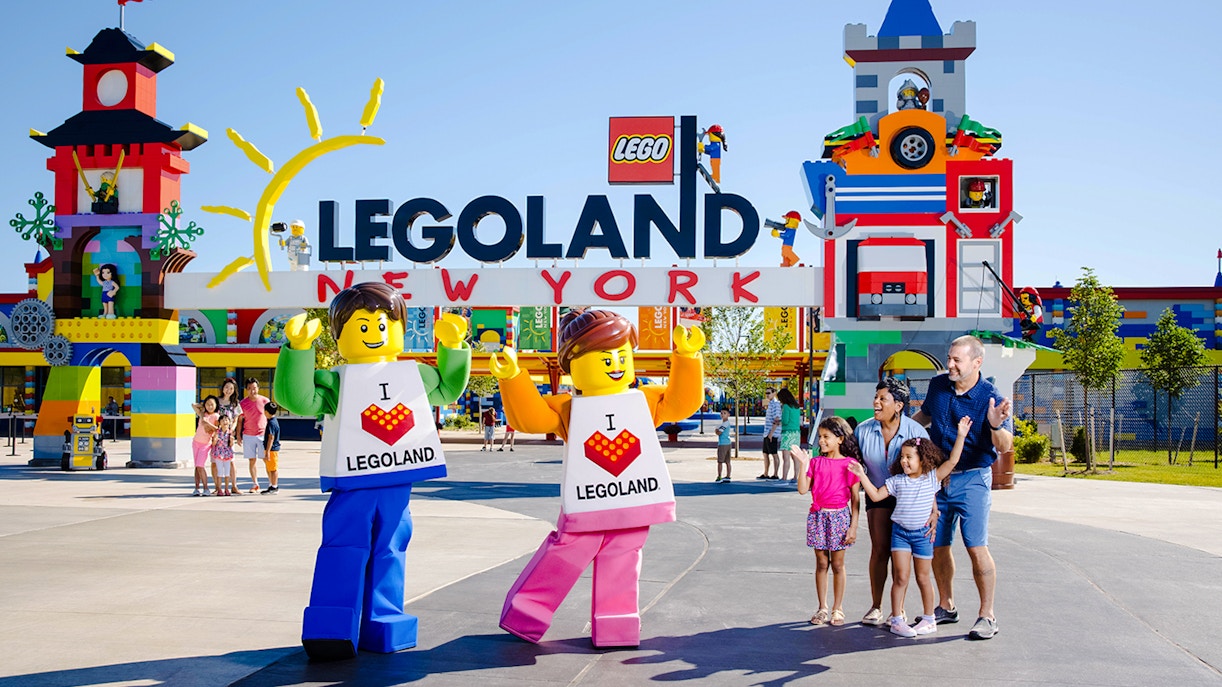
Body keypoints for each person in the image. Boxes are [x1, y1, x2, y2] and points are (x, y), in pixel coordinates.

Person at [274, 281, 471, 660]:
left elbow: (447, 389)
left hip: (396, 481)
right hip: (353, 482)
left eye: (383, 325)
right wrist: (298, 351)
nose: (375, 334)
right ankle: (331, 625)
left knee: (391, 547)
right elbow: (296, 398)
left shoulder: (414, 376)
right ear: (339, 336)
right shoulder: (335, 380)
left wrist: (453, 347)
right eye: (362, 327)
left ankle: (385, 619)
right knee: (344, 546)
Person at [490, 308, 704, 647]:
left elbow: (682, 403)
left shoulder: (643, 400)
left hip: (633, 499)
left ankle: (616, 624)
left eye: (622, 354)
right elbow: (531, 418)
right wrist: (513, 377)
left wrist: (687, 356)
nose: (617, 364)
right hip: (589, 500)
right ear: (572, 365)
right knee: (568, 550)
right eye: (605, 357)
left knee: (623, 556)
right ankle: (526, 612)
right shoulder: (569, 407)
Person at [912, 334, 1013, 641]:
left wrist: (995, 425)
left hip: (972, 479)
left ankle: (987, 615)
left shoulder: (990, 396)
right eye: (950, 357)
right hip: (938, 477)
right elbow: (924, 416)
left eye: (957, 359)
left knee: (975, 546)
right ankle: (946, 606)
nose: (950, 364)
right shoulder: (938, 386)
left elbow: (1006, 445)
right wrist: (899, 432)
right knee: (938, 545)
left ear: (976, 362)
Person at [851, 418, 971, 638]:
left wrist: (961, 435)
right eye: (902, 457)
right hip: (901, 535)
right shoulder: (897, 481)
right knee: (901, 578)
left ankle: (928, 619)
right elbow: (876, 495)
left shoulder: (932, 479)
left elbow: (953, 460)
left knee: (923, 577)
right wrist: (861, 475)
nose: (904, 461)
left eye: (909, 457)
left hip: (922, 536)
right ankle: (897, 619)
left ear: (922, 459)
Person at [854, 378, 931, 626]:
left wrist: (934, 510)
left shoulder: (917, 432)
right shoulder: (863, 430)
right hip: (878, 495)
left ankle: (898, 611)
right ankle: (876, 606)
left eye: (882, 399)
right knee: (879, 549)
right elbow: (856, 469)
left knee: (904, 557)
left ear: (898, 405)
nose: (876, 402)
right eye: (875, 397)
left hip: (910, 499)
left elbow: (929, 474)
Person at [797, 416, 862, 627]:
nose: (821, 441)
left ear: (840, 439)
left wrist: (853, 526)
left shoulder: (850, 465)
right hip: (818, 516)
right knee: (822, 563)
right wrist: (803, 464)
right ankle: (822, 607)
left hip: (840, 517)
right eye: (820, 437)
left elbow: (855, 498)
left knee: (838, 563)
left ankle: (838, 607)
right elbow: (802, 489)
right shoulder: (815, 463)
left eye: (827, 437)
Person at [237, 378, 270, 493]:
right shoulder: (242, 403)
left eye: (254, 388)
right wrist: (238, 435)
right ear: (246, 390)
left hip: (262, 435)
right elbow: (240, 420)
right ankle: (255, 484)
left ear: (258, 388)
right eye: (250, 389)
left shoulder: (265, 401)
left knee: (266, 459)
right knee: (252, 460)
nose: (252, 391)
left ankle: (272, 483)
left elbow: (270, 419)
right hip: (248, 435)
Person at [211, 377, 241, 495]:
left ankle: (234, 485)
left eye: (231, 388)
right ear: (222, 388)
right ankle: (217, 487)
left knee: (231, 461)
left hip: (228, 437)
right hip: (216, 435)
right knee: (214, 461)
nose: (228, 390)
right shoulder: (216, 401)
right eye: (227, 387)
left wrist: (230, 432)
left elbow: (236, 419)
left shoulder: (235, 404)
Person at [190, 395, 220, 496]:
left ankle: (206, 488)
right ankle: (196, 488)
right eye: (208, 404)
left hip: (205, 444)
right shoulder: (202, 413)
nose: (210, 406)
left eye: (212, 404)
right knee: (197, 466)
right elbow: (193, 405)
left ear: (216, 405)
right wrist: (202, 407)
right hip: (196, 442)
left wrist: (208, 424)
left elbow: (218, 428)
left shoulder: (216, 416)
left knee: (200, 465)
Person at [777, 388, 803, 483]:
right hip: (796, 433)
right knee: (795, 456)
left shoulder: (786, 407)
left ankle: (784, 477)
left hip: (787, 433)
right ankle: (795, 477)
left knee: (786, 457)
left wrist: (779, 422)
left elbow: (785, 420)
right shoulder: (796, 407)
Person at [758, 388, 781, 480]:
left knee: (774, 454)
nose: (767, 395)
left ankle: (775, 474)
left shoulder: (776, 404)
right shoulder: (770, 404)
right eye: (766, 393)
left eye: (769, 393)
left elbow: (777, 419)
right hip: (767, 432)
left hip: (772, 433)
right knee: (765, 453)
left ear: (774, 393)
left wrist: (771, 433)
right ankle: (766, 473)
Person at [211, 415, 237, 496]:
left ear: (229, 422)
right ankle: (219, 489)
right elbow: (214, 444)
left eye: (226, 420)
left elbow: (230, 444)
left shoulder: (230, 432)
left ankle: (226, 488)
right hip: (219, 453)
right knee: (220, 472)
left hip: (227, 454)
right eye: (223, 420)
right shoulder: (217, 432)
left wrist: (232, 440)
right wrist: (214, 440)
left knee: (227, 472)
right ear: (219, 423)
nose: (225, 422)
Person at [262, 402, 281, 494]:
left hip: (272, 449)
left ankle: (274, 486)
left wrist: (267, 451)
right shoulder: (274, 421)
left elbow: (271, 437)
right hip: (272, 449)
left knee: (273, 469)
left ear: (266, 411)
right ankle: (271, 485)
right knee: (270, 467)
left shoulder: (271, 423)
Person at [714, 408, 734, 483]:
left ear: (728, 414)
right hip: (728, 443)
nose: (722, 415)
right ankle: (728, 476)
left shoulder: (725, 424)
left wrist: (716, 431)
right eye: (721, 413)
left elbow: (719, 432)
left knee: (720, 461)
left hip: (723, 444)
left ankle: (719, 476)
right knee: (727, 461)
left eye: (724, 413)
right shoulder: (727, 423)